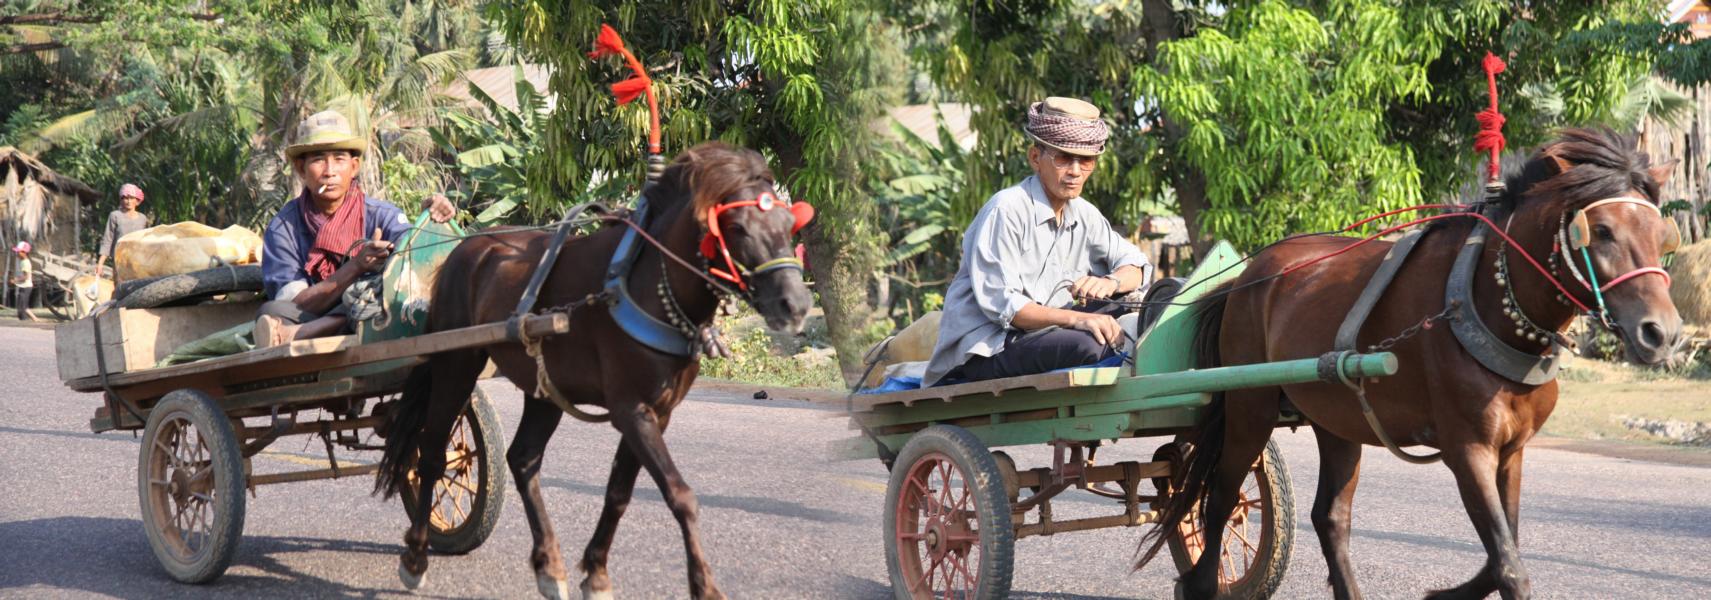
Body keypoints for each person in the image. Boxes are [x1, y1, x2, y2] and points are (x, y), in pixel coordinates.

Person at [922, 97, 1154, 386]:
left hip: (1045, 334)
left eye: (1086, 161)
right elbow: (1008, 308)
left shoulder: (1084, 213)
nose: (1075, 171)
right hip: (989, 347)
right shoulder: (1005, 210)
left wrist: (1111, 282)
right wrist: (1077, 319)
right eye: (1063, 158)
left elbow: (1137, 265)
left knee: (1151, 311)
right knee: (1091, 344)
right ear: (1035, 158)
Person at [254, 110, 456, 346]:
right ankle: (336, 322)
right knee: (272, 310)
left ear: (354, 166)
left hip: (377, 310)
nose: (329, 171)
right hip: (312, 313)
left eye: (339, 159)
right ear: (301, 169)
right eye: (318, 160)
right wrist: (356, 267)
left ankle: (301, 333)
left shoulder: (382, 215)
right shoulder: (283, 228)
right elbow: (297, 303)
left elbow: (416, 254)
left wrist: (429, 215)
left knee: (376, 292)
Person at [95, 183, 151, 282]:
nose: (128, 201)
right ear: (121, 200)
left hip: (138, 262)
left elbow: (146, 242)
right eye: (125, 198)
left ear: (137, 200)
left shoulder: (142, 218)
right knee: (120, 290)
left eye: (131, 198)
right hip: (120, 262)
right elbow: (108, 240)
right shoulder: (115, 216)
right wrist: (100, 264)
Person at [11, 241, 36, 322]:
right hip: (23, 286)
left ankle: (30, 320)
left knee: (22, 308)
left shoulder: (25, 262)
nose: (17, 253)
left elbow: (26, 276)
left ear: (24, 252)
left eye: (19, 252)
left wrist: (15, 280)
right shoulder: (23, 261)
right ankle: (34, 319)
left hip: (26, 287)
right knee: (21, 307)